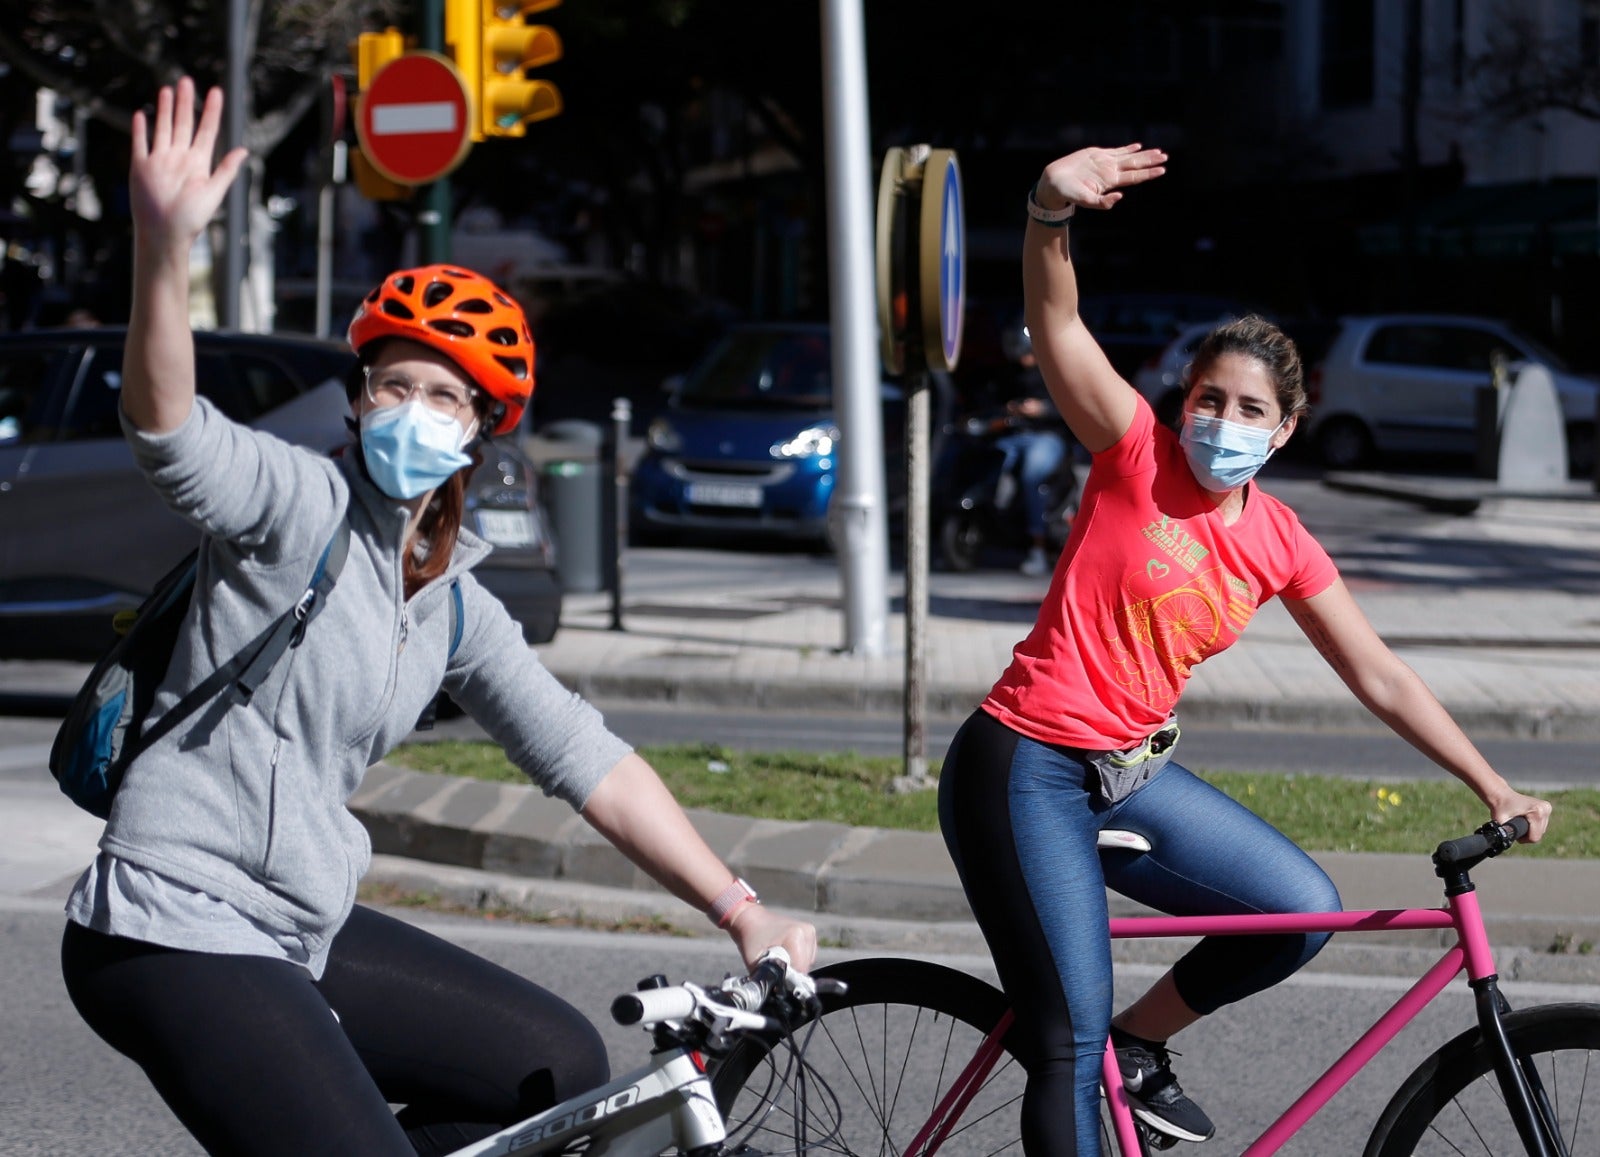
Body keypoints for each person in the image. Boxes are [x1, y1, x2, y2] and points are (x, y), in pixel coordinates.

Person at [58, 78, 817, 1157]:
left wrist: (739, 910)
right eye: (393, 384)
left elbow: (582, 754)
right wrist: (162, 250)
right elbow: (168, 424)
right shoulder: (294, 504)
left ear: (481, 426)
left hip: (296, 922)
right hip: (168, 920)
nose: (412, 410)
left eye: (444, 394)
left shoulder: (452, 597)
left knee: (555, 1065)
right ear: (358, 395)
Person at [936, 142, 1553, 1155]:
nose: (1222, 420)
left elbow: (1378, 672)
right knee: (1061, 1039)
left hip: (1127, 774)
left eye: (1249, 409)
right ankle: (1097, 1049)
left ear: (1284, 431)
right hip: (1024, 760)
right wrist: (1051, 211)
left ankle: (1139, 1047)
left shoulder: (1277, 538)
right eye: (1208, 399)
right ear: (1184, 403)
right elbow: (1056, 321)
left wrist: (1492, 782)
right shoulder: (1131, 451)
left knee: (1298, 907)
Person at [993, 322, 1073, 575]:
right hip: (1013, 434)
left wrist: (1044, 409)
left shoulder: (1056, 371)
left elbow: (1071, 407)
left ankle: (1037, 547)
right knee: (989, 463)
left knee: (1032, 476)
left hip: (1047, 435)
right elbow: (989, 399)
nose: (1024, 359)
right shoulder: (1007, 373)